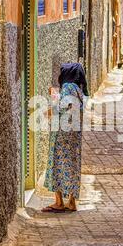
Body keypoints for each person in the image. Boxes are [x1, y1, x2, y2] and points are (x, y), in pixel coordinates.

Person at [42, 63, 89, 213]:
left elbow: (60, 108)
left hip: (62, 137)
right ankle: (72, 202)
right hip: (74, 138)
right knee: (72, 166)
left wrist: (47, 112)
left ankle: (59, 202)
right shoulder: (79, 90)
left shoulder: (68, 87)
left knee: (58, 164)